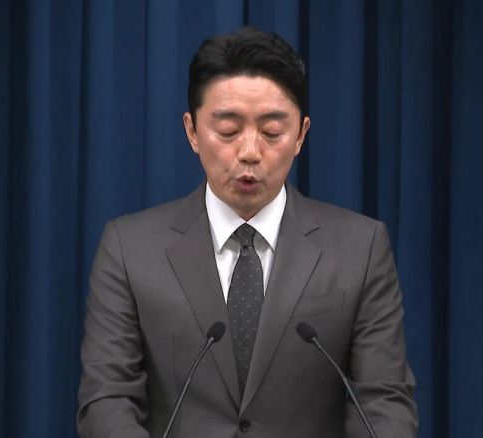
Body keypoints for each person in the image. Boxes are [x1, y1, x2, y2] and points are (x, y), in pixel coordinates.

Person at [77, 26, 417, 438]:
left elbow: (383, 403)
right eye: (228, 131)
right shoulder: (129, 249)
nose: (250, 151)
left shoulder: (360, 249)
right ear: (192, 131)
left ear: (301, 135)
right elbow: (107, 402)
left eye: (272, 132)